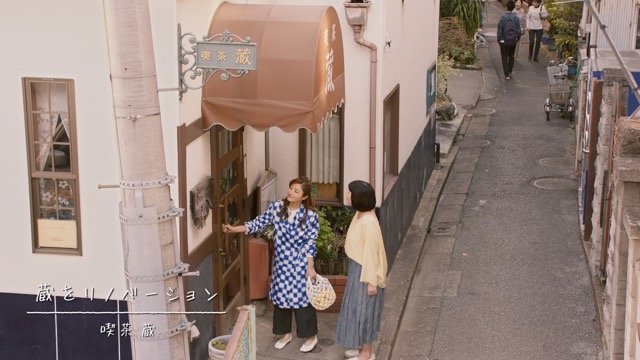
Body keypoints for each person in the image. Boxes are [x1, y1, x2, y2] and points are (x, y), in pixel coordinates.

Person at [222, 176, 320, 353]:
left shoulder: (310, 216)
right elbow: (258, 223)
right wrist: (236, 229)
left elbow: (310, 242)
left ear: (304, 197)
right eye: (291, 188)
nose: (290, 192)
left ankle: (311, 336)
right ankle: (285, 334)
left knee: (302, 301)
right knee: (281, 300)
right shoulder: (277, 208)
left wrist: (310, 266)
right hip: (282, 263)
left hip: (299, 264)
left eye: (296, 191)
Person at [336, 180, 388, 360]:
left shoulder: (369, 222)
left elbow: (372, 254)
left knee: (365, 313)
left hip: (366, 272)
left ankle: (366, 354)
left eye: (350, 193)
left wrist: (372, 282)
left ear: (359, 197)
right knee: (357, 310)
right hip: (357, 268)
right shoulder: (359, 214)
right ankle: (362, 350)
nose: (347, 195)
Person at [497, 1, 522, 80]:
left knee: (504, 57)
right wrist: (517, 38)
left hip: (504, 40)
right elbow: (519, 31)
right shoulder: (516, 18)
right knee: (511, 56)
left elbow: (500, 30)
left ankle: (506, 74)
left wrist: (499, 39)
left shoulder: (502, 18)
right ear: (513, 8)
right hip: (513, 40)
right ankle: (510, 70)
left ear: (506, 7)